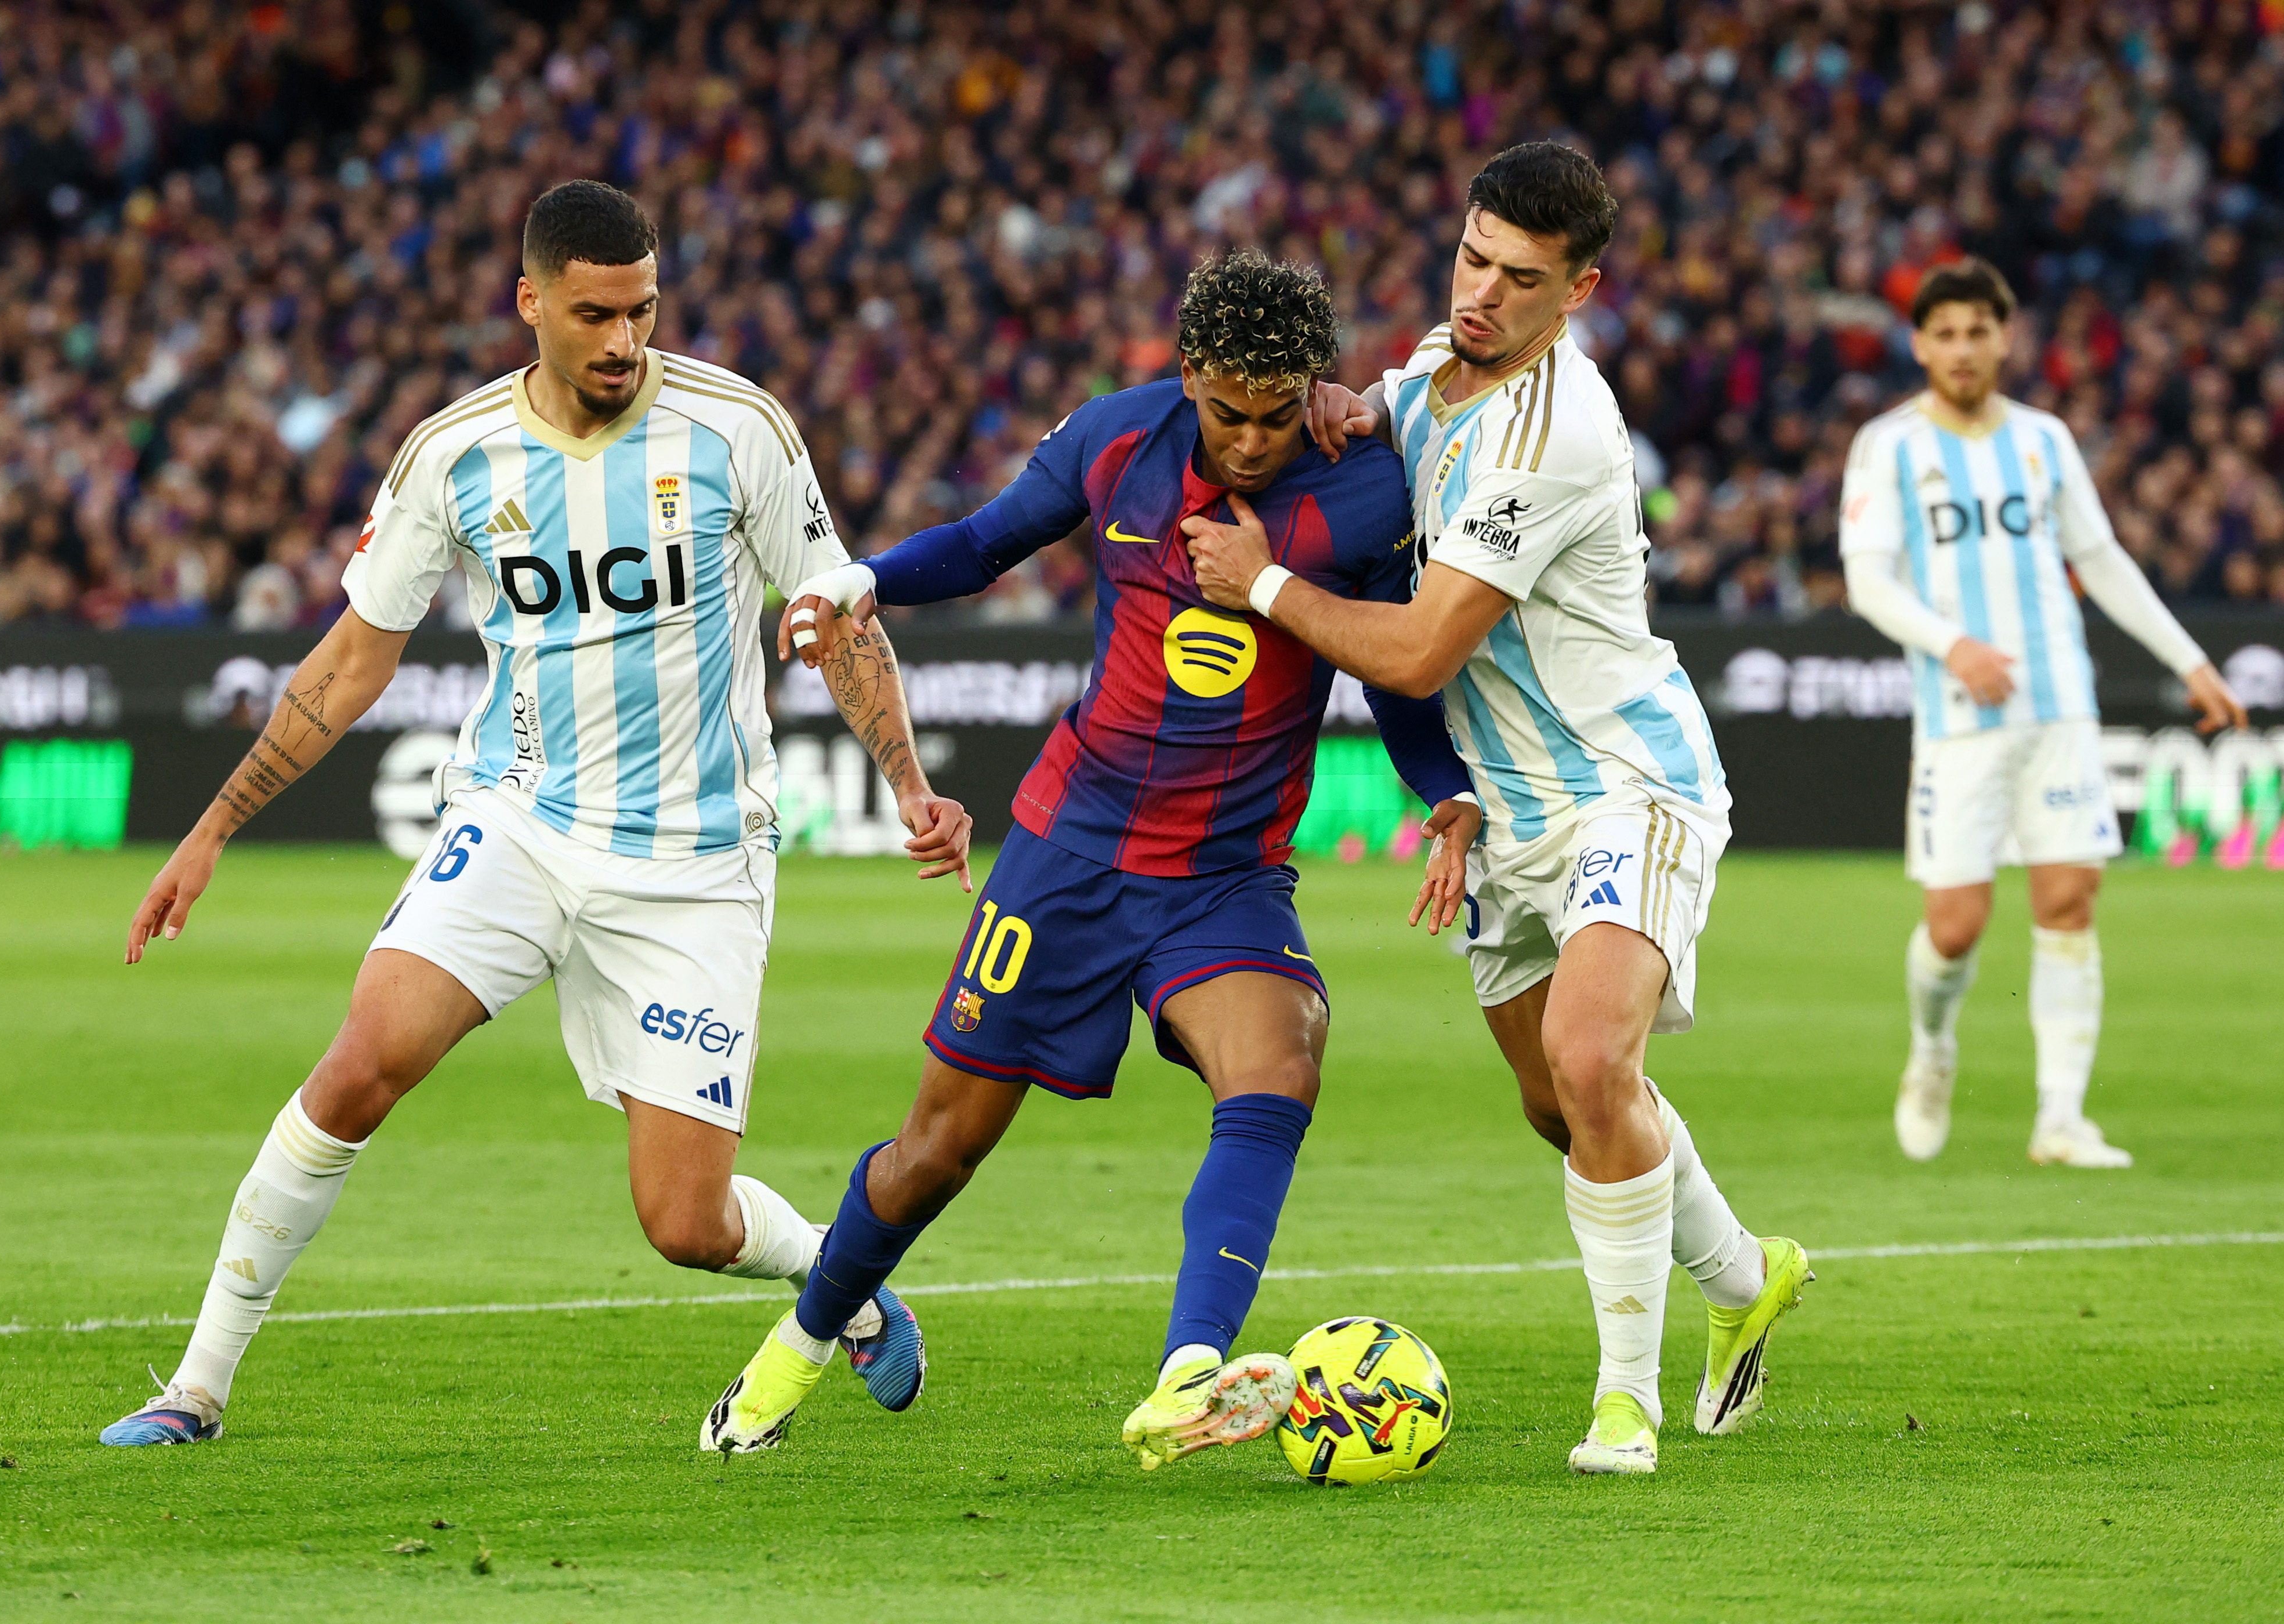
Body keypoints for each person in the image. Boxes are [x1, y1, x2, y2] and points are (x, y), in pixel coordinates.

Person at [100, 180, 971, 1448]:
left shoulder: (739, 432)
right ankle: (195, 1389)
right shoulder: (453, 455)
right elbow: (349, 661)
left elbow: (837, 616)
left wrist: (908, 784)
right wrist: (210, 826)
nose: (624, 340)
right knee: (358, 1065)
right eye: (595, 314)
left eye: (643, 310)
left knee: (685, 1222)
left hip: (692, 857)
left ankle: (835, 1279)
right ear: (531, 303)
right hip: (518, 820)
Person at [705, 250, 1477, 1466]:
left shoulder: (1370, 495)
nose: (1256, 437)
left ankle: (1189, 1372)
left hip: (1224, 873)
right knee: (933, 1153)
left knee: (1279, 1063)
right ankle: (790, 1353)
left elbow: (1392, 663)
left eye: (1281, 413)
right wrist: (857, 578)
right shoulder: (1116, 444)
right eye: (1229, 412)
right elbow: (986, 540)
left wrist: (1443, 790)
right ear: (1185, 379)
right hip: (1066, 857)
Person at [1188, 143, 1809, 1477]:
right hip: (1503, 814)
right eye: (1472, 256)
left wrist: (1262, 585)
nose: (1481, 293)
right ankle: (1743, 1272)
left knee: (1593, 1064)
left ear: (1578, 288)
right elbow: (1402, 409)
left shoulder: (1561, 433)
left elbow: (1417, 653)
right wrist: (1359, 402)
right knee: (1563, 1105)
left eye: (1520, 279)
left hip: (1623, 786)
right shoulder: (1436, 365)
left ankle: (1624, 1406)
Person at [1837, 258, 2247, 1169]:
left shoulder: (2043, 439)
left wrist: (2188, 661)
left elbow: (2099, 561)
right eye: (1943, 333)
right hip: (1958, 715)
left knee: (2069, 899)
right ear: (1919, 344)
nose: (1961, 349)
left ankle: (2060, 1118)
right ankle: (1932, 1050)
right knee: (1955, 926)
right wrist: (1954, 646)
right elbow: (1867, 579)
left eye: (1977, 331)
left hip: (2059, 704)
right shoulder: (1889, 446)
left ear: (2003, 338)